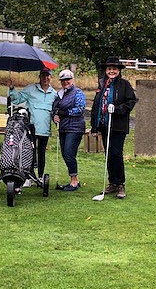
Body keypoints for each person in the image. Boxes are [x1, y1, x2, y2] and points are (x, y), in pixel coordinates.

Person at [90, 56, 137, 199]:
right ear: (106, 70)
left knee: (116, 154)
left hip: (118, 126)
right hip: (104, 125)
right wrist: (94, 125)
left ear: (118, 70)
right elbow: (96, 105)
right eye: (109, 69)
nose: (111, 71)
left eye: (114, 69)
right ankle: (112, 183)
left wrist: (117, 109)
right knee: (108, 155)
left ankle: (120, 184)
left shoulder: (124, 85)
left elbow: (131, 101)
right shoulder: (102, 84)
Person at [8, 67, 57, 180]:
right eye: (43, 75)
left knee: (41, 153)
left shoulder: (54, 94)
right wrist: (11, 88)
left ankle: (40, 177)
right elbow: (17, 99)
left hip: (45, 129)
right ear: (39, 77)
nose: (45, 78)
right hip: (31, 128)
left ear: (51, 77)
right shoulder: (31, 89)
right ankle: (29, 177)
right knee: (29, 152)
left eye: (47, 75)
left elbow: (56, 111)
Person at [52, 69, 87, 191]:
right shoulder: (60, 94)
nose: (65, 82)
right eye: (63, 80)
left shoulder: (78, 92)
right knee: (65, 153)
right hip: (64, 128)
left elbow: (80, 109)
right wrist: (55, 116)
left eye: (67, 79)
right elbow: (55, 109)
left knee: (68, 153)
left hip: (75, 127)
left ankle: (74, 181)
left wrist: (65, 113)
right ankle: (74, 179)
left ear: (72, 80)